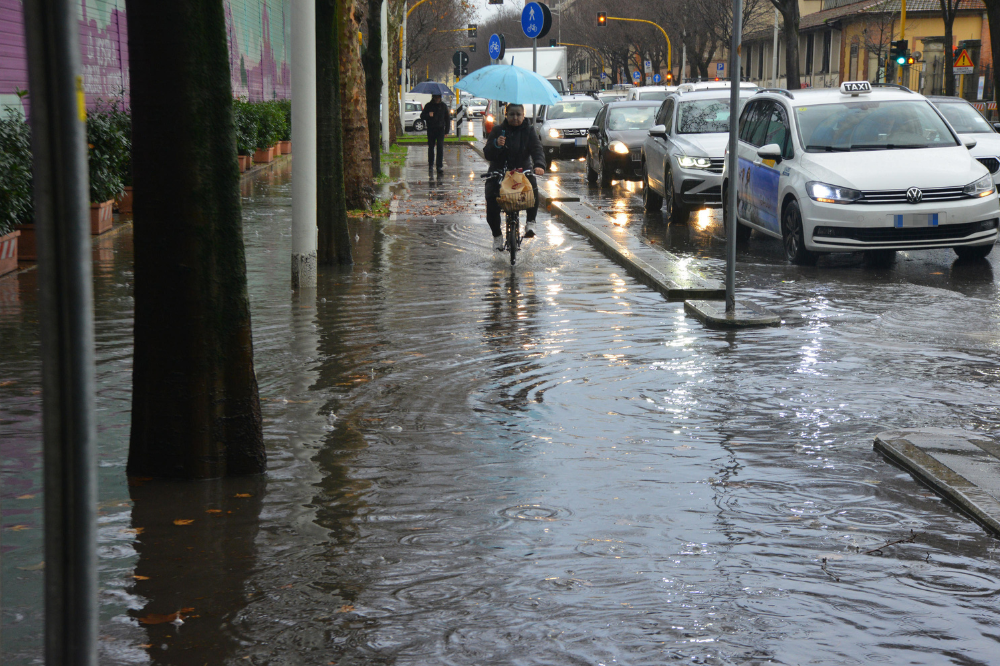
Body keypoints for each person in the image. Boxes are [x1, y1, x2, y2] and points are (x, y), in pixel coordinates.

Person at [483, 103, 545, 250]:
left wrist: (539, 165)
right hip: (500, 172)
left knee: (532, 185)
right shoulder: (498, 130)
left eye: (518, 114)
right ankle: (497, 236)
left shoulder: (529, 131)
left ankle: (530, 222)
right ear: (506, 115)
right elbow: (487, 153)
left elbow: (537, 149)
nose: (515, 117)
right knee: (491, 196)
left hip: (521, 171)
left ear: (523, 116)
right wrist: (496, 144)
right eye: (512, 114)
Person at [420, 93, 450, 174]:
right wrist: (428, 115)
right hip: (431, 130)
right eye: (435, 97)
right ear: (433, 97)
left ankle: (439, 166)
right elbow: (422, 116)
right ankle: (430, 165)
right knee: (431, 148)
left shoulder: (443, 106)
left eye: (438, 97)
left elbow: (447, 119)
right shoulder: (428, 106)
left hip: (440, 130)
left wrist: (447, 131)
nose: (437, 99)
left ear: (440, 97)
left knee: (440, 148)